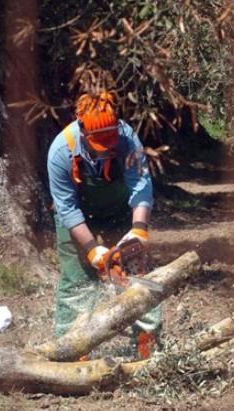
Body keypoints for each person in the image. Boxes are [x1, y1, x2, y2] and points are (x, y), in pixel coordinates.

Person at [47, 91, 161, 359]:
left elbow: (141, 185)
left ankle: (148, 346)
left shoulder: (127, 140)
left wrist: (139, 229)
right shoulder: (60, 151)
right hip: (76, 216)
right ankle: (71, 351)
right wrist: (91, 249)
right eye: (101, 144)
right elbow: (67, 207)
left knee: (138, 277)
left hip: (120, 209)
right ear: (83, 131)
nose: (108, 149)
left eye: (110, 142)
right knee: (75, 283)